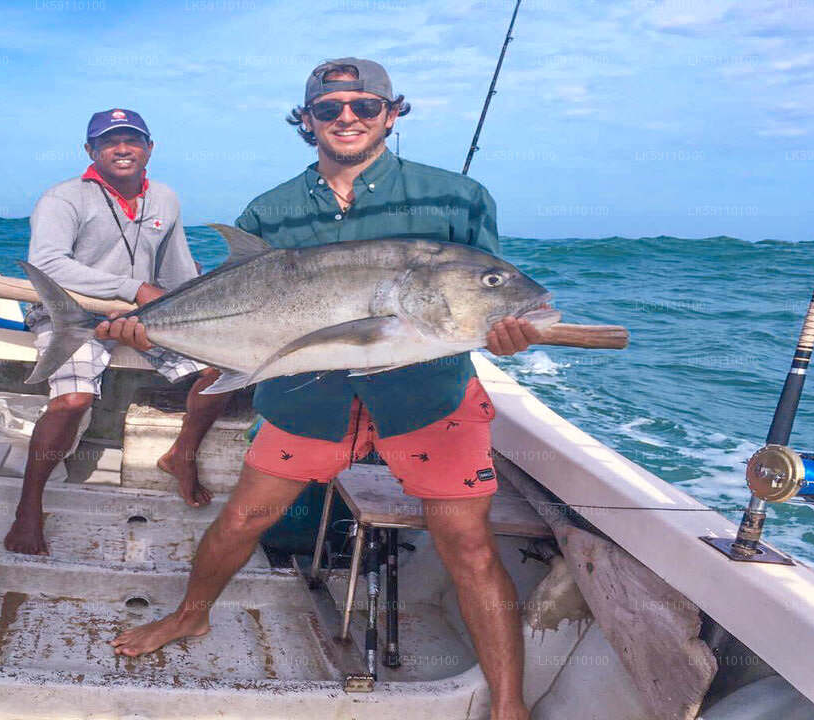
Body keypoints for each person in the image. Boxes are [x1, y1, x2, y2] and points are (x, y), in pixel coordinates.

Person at [102, 61, 539, 719]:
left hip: (428, 396)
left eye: (365, 105)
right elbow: (233, 306)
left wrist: (505, 330)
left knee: (469, 546)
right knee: (245, 517)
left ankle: (508, 705)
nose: (347, 118)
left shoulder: (458, 197)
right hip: (308, 396)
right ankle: (191, 615)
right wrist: (152, 330)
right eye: (330, 108)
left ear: (392, 113)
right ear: (307, 120)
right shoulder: (270, 211)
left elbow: (488, 293)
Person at [5, 108, 232, 555]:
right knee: (73, 400)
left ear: (149, 148)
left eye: (132, 140)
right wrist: (132, 288)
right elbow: (47, 264)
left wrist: (199, 308)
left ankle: (181, 455)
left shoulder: (165, 198)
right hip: (69, 313)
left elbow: (176, 269)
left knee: (223, 369)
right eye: (109, 142)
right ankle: (28, 508)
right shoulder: (63, 198)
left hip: (139, 316)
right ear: (90, 151)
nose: (122, 149)